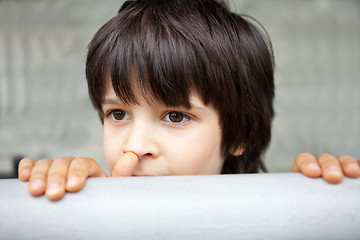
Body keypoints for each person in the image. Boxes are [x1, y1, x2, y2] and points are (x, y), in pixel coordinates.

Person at [18, 0, 360, 201]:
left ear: (239, 133)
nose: (134, 147)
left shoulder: (286, 217)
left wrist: (319, 201)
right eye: (118, 113)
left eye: (176, 116)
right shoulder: (89, 214)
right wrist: (75, 209)